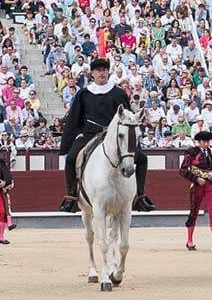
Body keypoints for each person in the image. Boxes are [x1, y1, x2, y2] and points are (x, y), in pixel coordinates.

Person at [57, 57, 155, 214]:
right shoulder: (84, 93)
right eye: (98, 70)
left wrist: (133, 144)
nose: (101, 73)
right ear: (92, 74)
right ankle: (71, 197)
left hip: (115, 137)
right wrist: (66, 144)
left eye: (104, 70)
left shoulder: (118, 92)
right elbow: (74, 117)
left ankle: (140, 197)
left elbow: (128, 117)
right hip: (89, 134)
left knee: (142, 159)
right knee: (71, 159)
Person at [180, 131, 212, 252]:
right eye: (205, 141)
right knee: (194, 212)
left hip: (209, 184)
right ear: (200, 142)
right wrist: (197, 179)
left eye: (208, 141)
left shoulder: (211, 152)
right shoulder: (192, 152)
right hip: (197, 185)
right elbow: (183, 170)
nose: (207, 143)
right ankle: (189, 241)